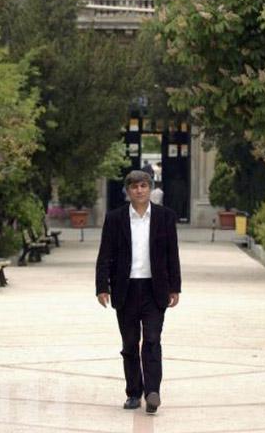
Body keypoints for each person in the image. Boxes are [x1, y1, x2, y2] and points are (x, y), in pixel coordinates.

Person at [95, 170, 181, 414]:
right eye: (134, 187)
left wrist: (175, 287)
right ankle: (133, 393)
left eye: (143, 186)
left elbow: (172, 254)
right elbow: (105, 255)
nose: (139, 190)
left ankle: (152, 392)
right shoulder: (115, 218)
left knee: (152, 340)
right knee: (130, 344)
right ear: (128, 191)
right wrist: (102, 287)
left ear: (150, 188)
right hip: (126, 289)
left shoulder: (165, 217)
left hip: (155, 289)